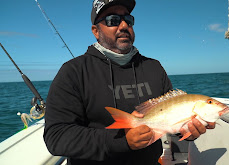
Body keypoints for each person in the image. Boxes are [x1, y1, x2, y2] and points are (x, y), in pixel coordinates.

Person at [43, 0, 215, 164]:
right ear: (96, 31)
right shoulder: (74, 71)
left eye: (128, 19)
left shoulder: (153, 67)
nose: (124, 26)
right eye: (113, 20)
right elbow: (56, 136)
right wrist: (121, 141)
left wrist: (189, 131)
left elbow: (171, 122)